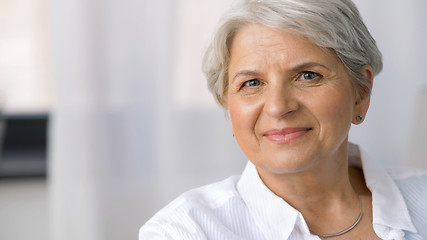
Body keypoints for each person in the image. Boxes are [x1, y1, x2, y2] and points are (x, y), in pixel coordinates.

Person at [140, 0, 427, 239]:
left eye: (308, 75)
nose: (278, 107)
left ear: (360, 93)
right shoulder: (182, 231)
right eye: (252, 83)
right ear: (228, 104)